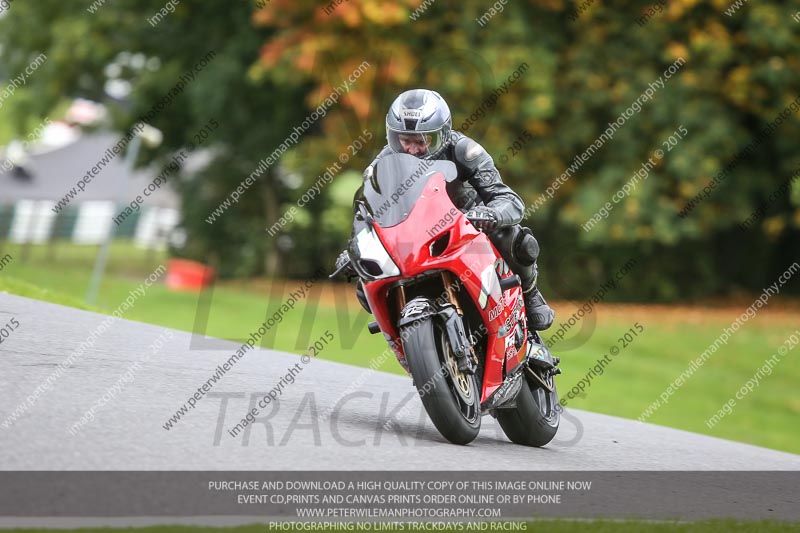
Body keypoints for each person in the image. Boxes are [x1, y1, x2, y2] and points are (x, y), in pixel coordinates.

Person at [337, 89, 554, 331]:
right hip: (412, 237)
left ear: (442, 134)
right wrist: (356, 248)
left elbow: (507, 199)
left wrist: (490, 214)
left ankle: (530, 293)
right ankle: (402, 327)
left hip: (467, 227)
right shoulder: (381, 164)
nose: (412, 149)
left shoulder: (465, 150)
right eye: (405, 140)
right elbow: (367, 213)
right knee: (365, 282)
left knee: (515, 238)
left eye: (422, 141)